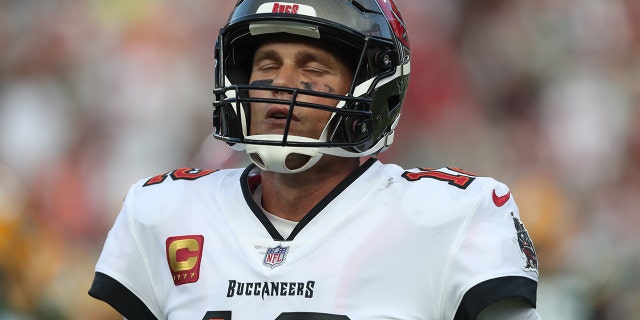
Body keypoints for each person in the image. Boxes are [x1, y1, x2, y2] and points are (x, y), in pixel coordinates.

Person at [88, 0, 541, 319]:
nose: (281, 84)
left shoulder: (454, 216)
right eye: (266, 64)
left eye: (312, 68)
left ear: (372, 87)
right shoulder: (164, 211)